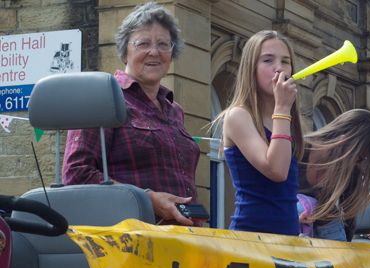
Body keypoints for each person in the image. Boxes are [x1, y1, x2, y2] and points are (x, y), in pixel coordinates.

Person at [63, 2, 200, 226]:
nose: (154, 52)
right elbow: (76, 174)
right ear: (125, 53)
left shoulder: (174, 110)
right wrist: (147, 199)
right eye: (143, 43)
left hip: (183, 240)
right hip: (128, 240)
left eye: (163, 44)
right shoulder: (101, 98)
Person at [217, 30, 304, 235]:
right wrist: (282, 109)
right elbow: (276, 170)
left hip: (288, 238)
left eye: (285, 61)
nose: (279, 68)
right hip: (252, 238)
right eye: (267, 60)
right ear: (251, 68)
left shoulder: (284, 118)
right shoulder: (238, 115)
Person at [299, 109, 370, 241]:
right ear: (344, 142)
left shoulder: (352, 175)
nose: (361, 170)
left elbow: (346, 235)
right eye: (361, 159)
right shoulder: (295, 150)